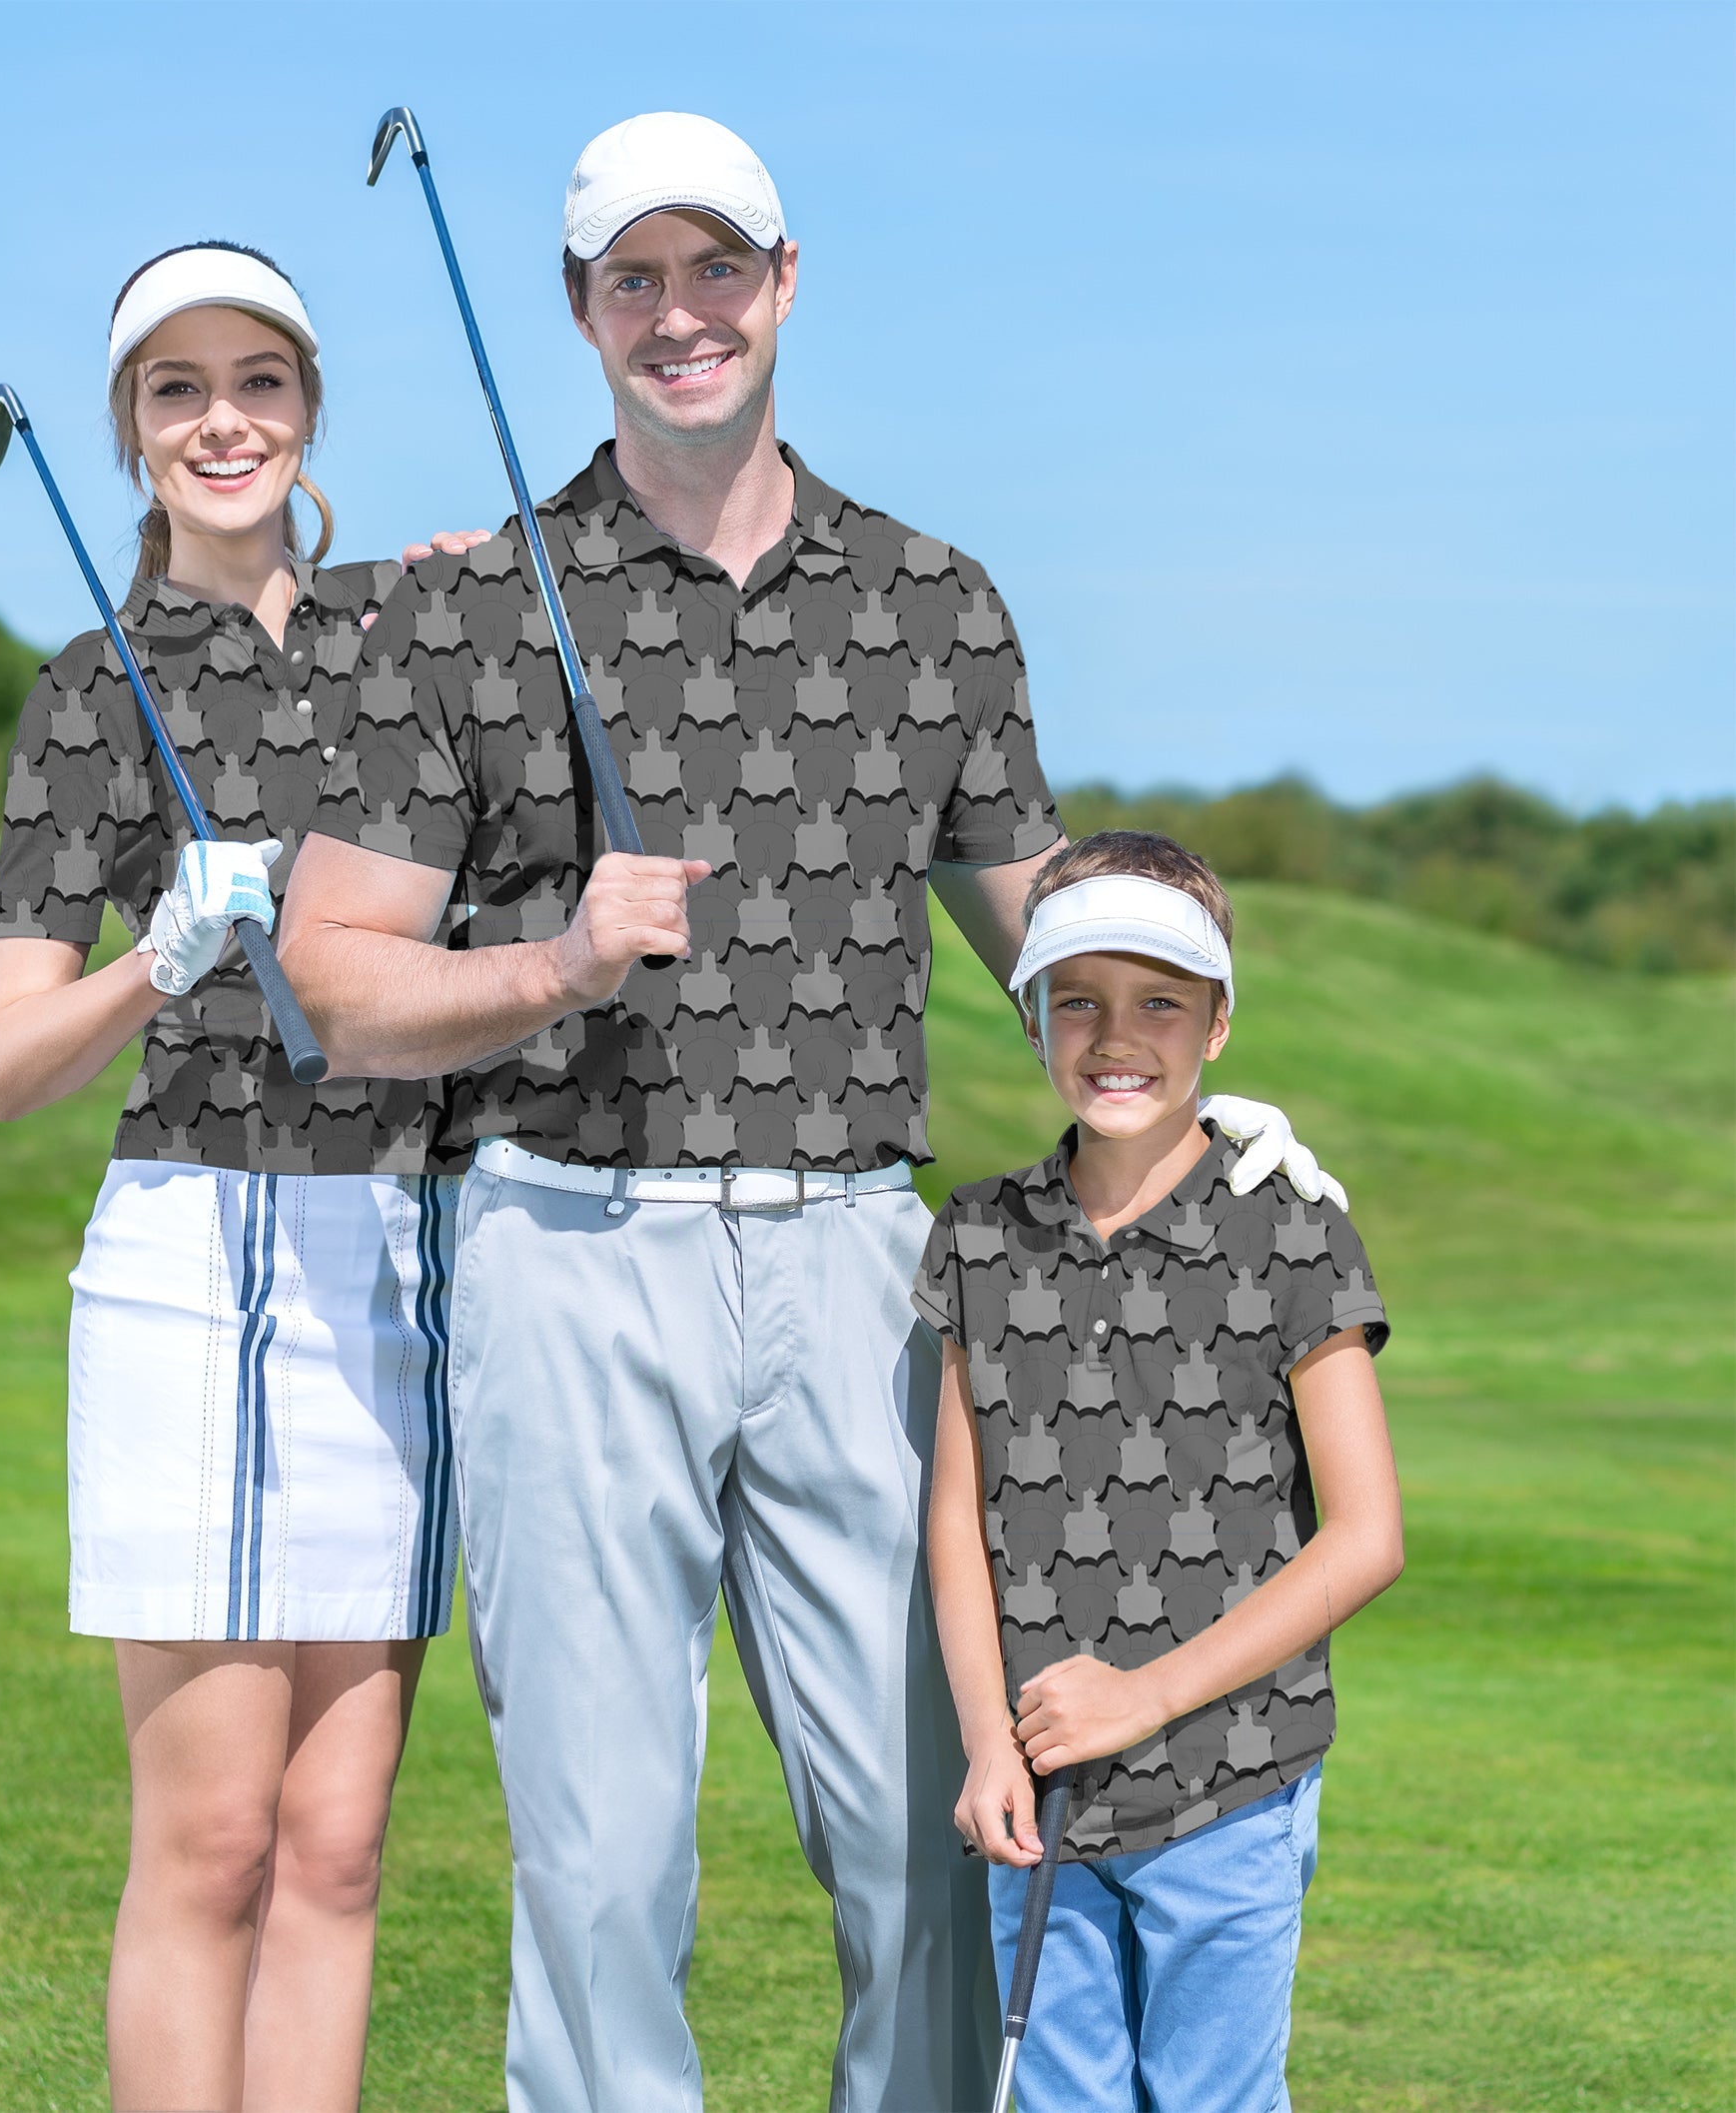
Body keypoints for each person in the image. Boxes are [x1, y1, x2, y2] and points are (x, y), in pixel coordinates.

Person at [279, 116, 1333, 2112]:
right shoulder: (472, 604)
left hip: (865, 1266)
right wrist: (543, 969)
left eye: (716, 269)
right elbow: (333, 971)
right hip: (565, 1248)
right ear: (580, 311)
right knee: (601, 1860)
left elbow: (1049, 935)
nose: (680, 314)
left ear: (783, 280)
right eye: (633, 279)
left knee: (934, 1830)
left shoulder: (936, 604)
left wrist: (1206, 1071)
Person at [0, 241, 485, 2113]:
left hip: (390, 1255)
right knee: (212, 1845)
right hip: (192, 1248)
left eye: (256, 381)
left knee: (339, 1845)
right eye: (176, 389)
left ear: (309, 408)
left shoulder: (411, 638)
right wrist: (158, 958)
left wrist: (462, 587)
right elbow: (7, 1063)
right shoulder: (84, 692)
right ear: (129, 430)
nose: (222, 421)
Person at [916, 830, 1404, 2112]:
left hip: (1233, 1779)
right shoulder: (979, 1234)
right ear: (1029, 1016)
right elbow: (957, 1524)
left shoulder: (1290, 1226)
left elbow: (1365, 1537)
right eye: (1076, 998)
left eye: (1159, 1003)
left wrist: (1143, 1699)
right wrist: (985, 1743)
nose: (1114, 1035)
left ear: (1218, 1026)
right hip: (1039, 1789)